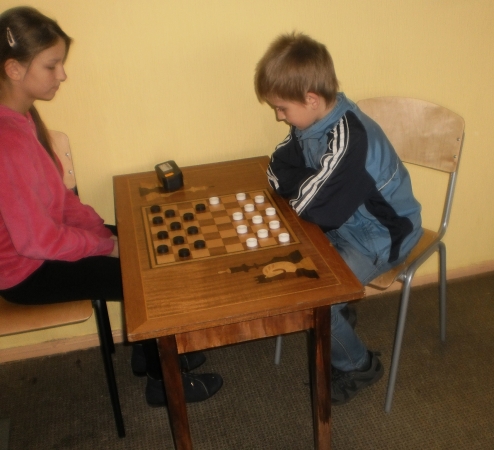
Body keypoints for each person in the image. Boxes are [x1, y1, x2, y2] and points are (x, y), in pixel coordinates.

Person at [0, 6, 222, 407]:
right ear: (14, 69)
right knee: (145, 278)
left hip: (46, 248)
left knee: (147, 243)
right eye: (52, 65)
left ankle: (147, 353)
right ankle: (163, 382)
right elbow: (37, 242)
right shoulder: (7, 143)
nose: (62, 75)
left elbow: (60, 200)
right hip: (26, 272)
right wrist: (105, 246)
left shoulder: (23, 117)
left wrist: (101, 230)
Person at [255, 32, 423, 405]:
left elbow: (315, 207)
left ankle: (359, 366)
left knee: (316, 300)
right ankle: (340, 315)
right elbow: (276, 169)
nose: (279, 116)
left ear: (311, 99)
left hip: (382, 237)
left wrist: (309, 189)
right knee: (285, 258)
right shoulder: (308, 126)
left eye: (282, 108)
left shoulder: (351, 138)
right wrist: (311, 187)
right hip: (344, 227)